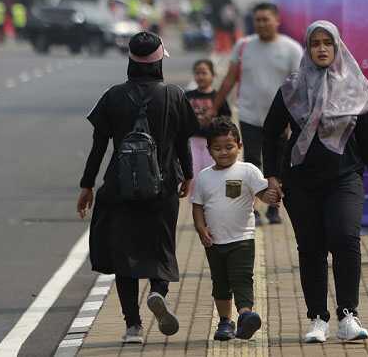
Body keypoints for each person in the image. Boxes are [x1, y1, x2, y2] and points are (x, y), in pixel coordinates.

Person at [262, 20, 368, 344]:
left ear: (337, 47)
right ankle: (318, 317)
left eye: (327, 43)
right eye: (315, 43)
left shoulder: (355, 87)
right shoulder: (292, 87)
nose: (321, 48)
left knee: (346, 238)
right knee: (311, 248)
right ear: (307, 48)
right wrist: (272, 175)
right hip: (301, 181)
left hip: (344, 177)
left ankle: (348, 314)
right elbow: (270, 131)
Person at [76, 32, 199, 345]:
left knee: (125, 256)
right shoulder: (173, 95)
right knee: (161, 246)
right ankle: (157, 293)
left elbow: (98, 146)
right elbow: (183, 140)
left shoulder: (113, 96)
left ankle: (132, 326)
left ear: (131, 60)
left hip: (120, 188)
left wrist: (87, 185)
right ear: (159, 62)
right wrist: (188, 174)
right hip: (164, 187)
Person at [213, 2, 302, 225]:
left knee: (279, 165)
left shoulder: (291, 49)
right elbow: (230, 78)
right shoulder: (243, 46)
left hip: (281, 120)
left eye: (266, 19)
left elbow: (299, 88)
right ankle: (251, 209)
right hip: (249, 114)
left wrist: (295, 119)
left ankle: (274, 208)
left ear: (276, 20)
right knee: (252, 162)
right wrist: (214, 107)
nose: (261, 23)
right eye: (257, 19)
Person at [191, 118, 277, 341]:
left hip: (242, 238)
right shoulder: (204, 177)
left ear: (239, 146)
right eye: (217, 148)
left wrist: (271, 195)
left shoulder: (248, 170)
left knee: (242, 278)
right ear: (209, 150)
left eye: (229, 147)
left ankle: (246, 316)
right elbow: (197, 206)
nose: (224, 152)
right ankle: (224, 322)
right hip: (214, 241)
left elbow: (262, 193)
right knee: (220, 283)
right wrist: (201, 229)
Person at [186, 59, 232, 175]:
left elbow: (227, 120)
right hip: (192, 141)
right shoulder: (187, 96)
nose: (200, 77)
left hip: (212, 143)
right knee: (193, 172)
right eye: (197, 73)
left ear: (213, 75)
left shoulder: (218, 97)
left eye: (204, 73)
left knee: (211, 172)